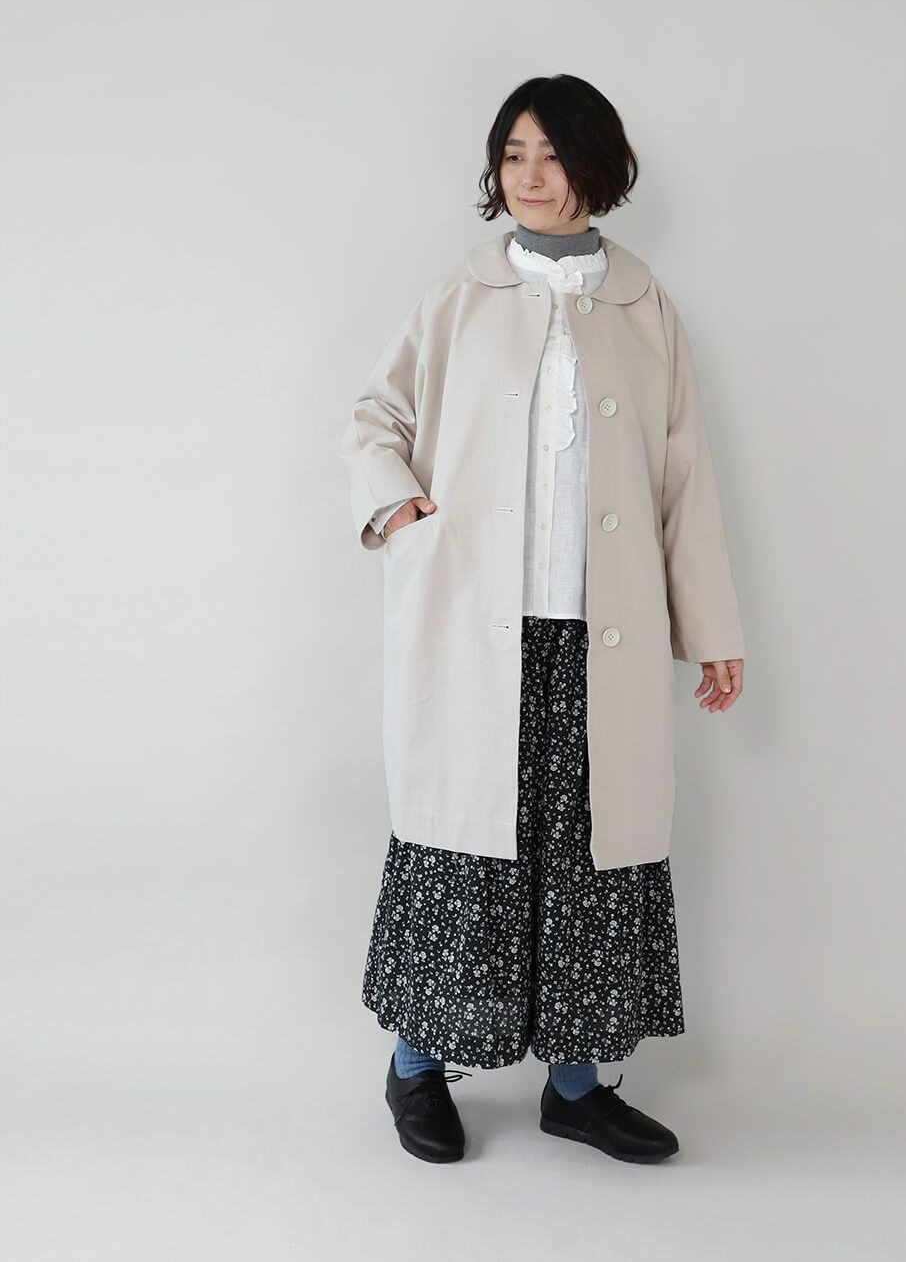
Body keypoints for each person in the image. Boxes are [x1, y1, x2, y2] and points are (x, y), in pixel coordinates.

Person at [338, 74, 746, 1165]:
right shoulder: (459, 295)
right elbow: (375, 415)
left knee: (590, 862)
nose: (528, 174)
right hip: (477, 627)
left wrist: (711, 629)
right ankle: (418, 1067)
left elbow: (683, 476)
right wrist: (401, 509)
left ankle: (576, 1086)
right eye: (513, 153)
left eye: (551, 154)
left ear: (594, 166)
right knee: (464, 848)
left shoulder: (642, 304)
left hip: (597, 633)